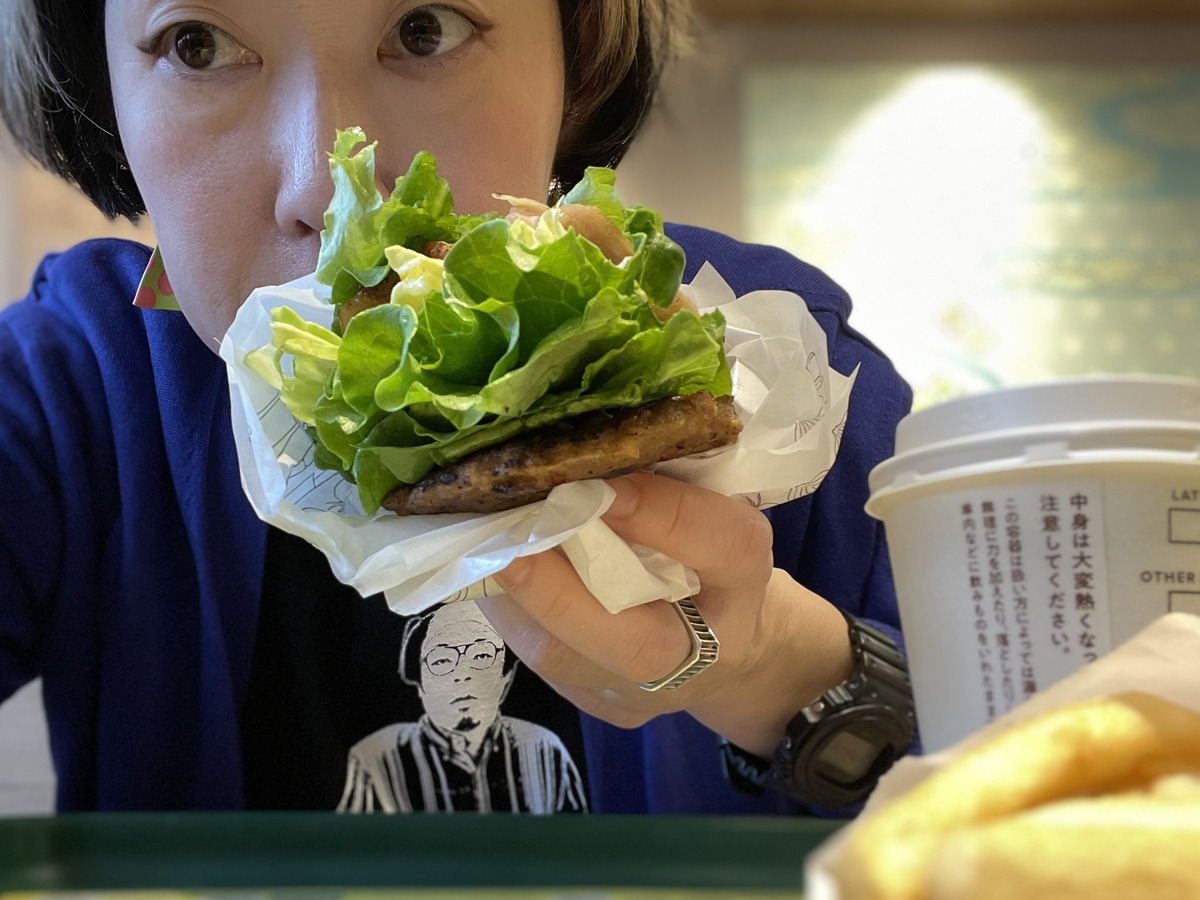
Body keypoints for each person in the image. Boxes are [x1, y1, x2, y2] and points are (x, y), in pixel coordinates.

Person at [0, 0, 914, 814]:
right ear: (100, 89)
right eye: (196, 45)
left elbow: (988, 758)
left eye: (424, 30)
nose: (326, 190)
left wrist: (778, 669)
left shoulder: (776, 368)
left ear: (580, 60)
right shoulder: (70, 388)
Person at [339, 600, 587, 813]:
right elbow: (351, 848)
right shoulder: (377, 758)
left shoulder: (543, 749)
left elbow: (579, 844)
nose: (462, 674)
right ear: (420, 684)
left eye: (481, 656)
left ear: (506, 678)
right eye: (441, 660)